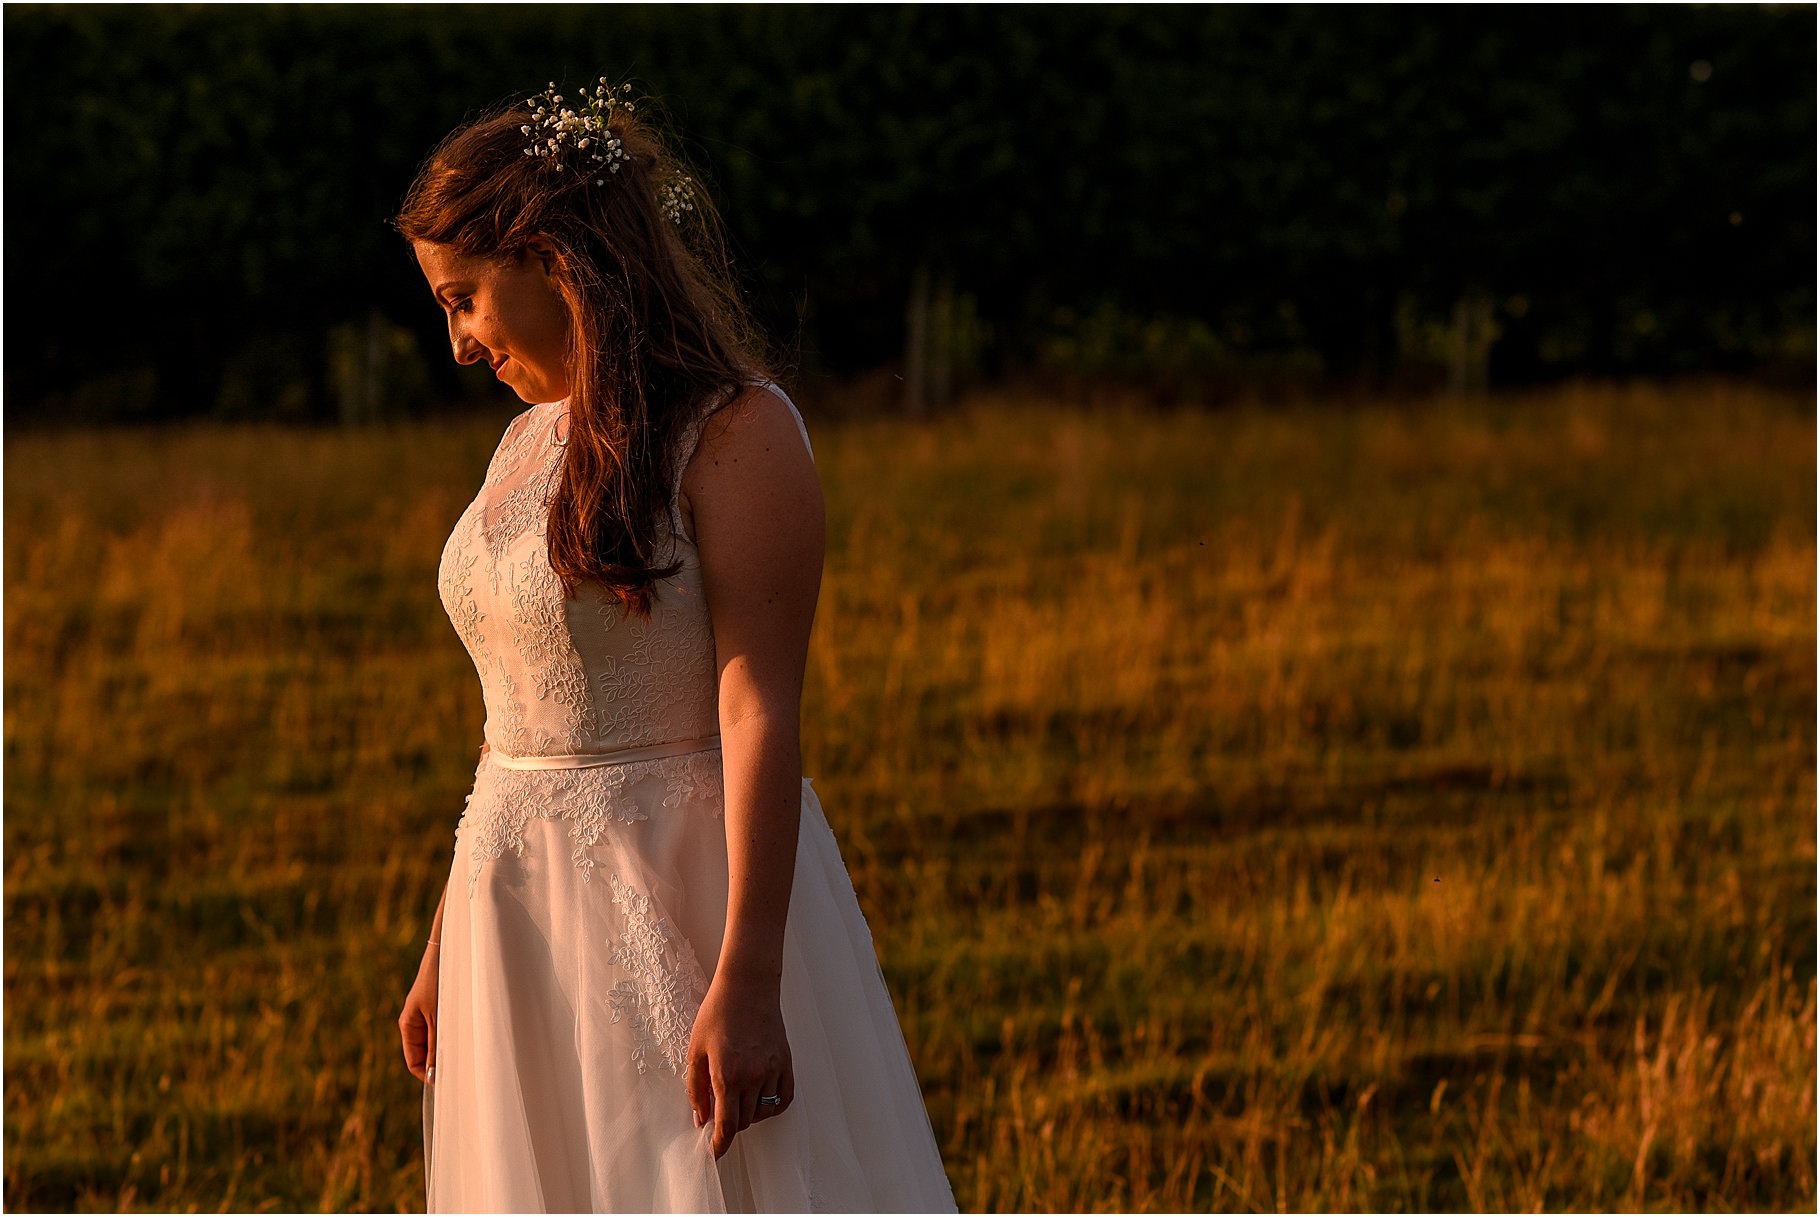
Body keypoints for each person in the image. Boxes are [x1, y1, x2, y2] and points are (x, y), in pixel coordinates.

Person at [391, 81, 957, 1213]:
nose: (457, 343)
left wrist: (748, 971)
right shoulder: (518, 444)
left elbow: (757, 703)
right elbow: (520, 709)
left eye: (463, 300)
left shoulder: (738, 431)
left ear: (547, 253)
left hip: (685, 897)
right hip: (514, 904)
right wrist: (448, 931)